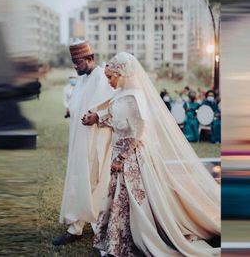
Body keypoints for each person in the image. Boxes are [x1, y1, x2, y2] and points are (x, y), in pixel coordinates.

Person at [87, 52, 220, 256]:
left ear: (121, 73)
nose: (109, 80)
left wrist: (122, 157)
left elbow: (139, 129)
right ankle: (120, 236)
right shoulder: (121, 93)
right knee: (120, 197)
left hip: (132, 156)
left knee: (134, 198)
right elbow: (118, 120)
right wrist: (97, 118)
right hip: (120, 151)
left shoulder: (135, 96)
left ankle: (137, 237)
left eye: (110, 76)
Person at [52, 40, 115, 246]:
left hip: (96, 142)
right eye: (73, 62)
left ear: (89, 59)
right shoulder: (81, 80)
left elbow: (115, 106)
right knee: (80, 181)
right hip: (80, 142)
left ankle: (81, 226)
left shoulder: (101, 78)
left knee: (92, 182)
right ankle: (78, 225)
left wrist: (98, 115)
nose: (75, 66)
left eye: (77, 62)